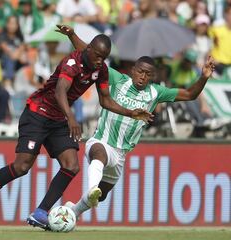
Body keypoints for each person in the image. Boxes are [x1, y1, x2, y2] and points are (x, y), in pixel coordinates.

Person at [0, 29, 153, 229]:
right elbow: (60, 90)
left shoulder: (101, 70)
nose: (99, 61)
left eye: (103, 58)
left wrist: (130, 112)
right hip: (38, 113)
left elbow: (105, 100)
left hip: (58, 119)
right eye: (97, 56)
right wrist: (71, 117)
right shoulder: (71, 62)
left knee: (71, 165)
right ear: (88, 50)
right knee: (22, 167)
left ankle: (41, 212)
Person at [56, 24, 216, 218]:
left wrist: (204, 77)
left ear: (153, 76)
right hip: (102, 141)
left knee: (101, 196)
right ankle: (91, 188)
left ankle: (72, 211)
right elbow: (89, 54)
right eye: (140, 71)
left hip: (121, 153)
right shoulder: (116, 78)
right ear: (133, 70)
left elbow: (190, 94)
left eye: (148, 74)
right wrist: (72, 35)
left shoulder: (156, 92)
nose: (143, 76)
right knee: (99, 155)